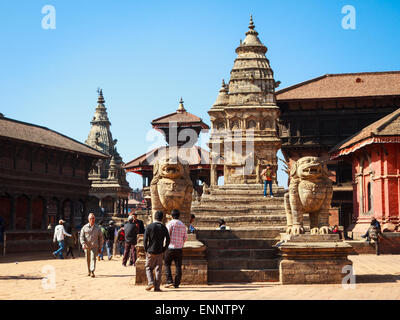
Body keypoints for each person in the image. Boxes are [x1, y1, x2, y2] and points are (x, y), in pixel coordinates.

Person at [143, 210, 170, 292]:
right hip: (159, 251)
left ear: (154, 217)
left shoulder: (149, 226)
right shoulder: (163, 227)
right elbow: (168, 239)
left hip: (150, 250)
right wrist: (164, 248)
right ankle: (157, 287)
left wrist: (146, 249)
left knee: (148, 268)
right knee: (158, 268)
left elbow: (145, 240)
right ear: (162, 218)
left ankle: (150, 282)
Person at [164, 209, 188, 289]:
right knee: (178, 266)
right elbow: (185, 237)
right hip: (179, 248)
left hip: (170, 247)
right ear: (179, 215)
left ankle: (169, 281)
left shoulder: (170, 224)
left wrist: (165, 245)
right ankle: (177, 283)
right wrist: (181, 243)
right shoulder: (183, 225)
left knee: (167, 264)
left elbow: (166, 236)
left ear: (171, 215)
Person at [80, 213, 104, 278]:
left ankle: (92, 271)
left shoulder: (98, 228)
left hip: (94, 246)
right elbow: (81, 236)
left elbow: (101, 238)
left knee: (93, 258)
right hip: (87, 246)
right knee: (88, 259)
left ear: (95, 219)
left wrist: (100, 247)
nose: (92, 220)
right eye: (91, 218)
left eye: (93, 218)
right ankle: (89, 271)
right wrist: (83, 243)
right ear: (88, 219)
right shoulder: (84, 228)